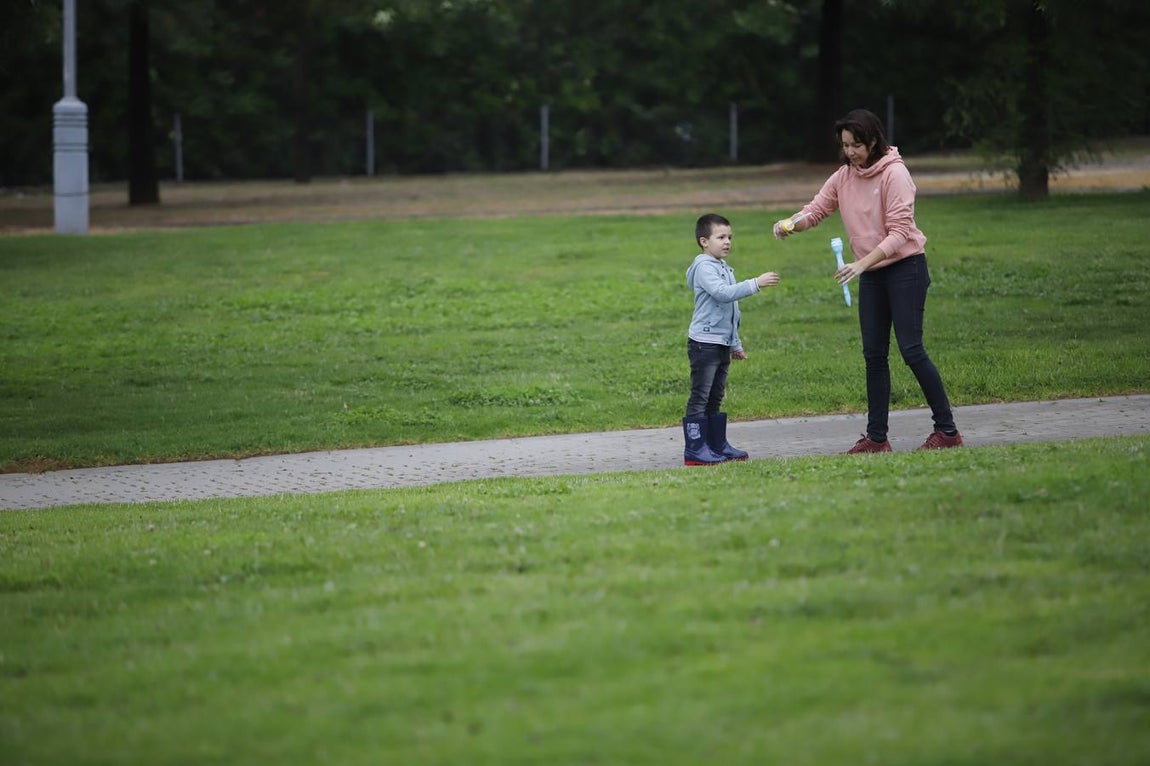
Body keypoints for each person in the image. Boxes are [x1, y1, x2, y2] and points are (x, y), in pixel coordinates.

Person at [773, 108, 962, 453]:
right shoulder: (844, 176)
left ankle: (947, 432)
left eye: (856, 145)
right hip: (871, 274)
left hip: (906, 269)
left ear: (873, 140)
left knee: (912, 350)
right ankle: (877, 438)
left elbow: (900, 233)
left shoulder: (896, 175)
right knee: (874, 356)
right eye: (845, 145)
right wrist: (789, 223)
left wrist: (862, 263)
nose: (849, 153)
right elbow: (816, 210)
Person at [683, 213, 780, 465]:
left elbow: (730, 312)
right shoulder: (705, 267)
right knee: (700, 396)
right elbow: (723, 294)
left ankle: (716, 445)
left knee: (715, 396)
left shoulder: (723, 267)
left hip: (721, 343)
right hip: (704, 343)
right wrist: (755, 284)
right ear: (704, 241)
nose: (727, 242)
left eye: (729, 237)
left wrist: (734, 343)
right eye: (721, 237)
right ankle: (695, 449)